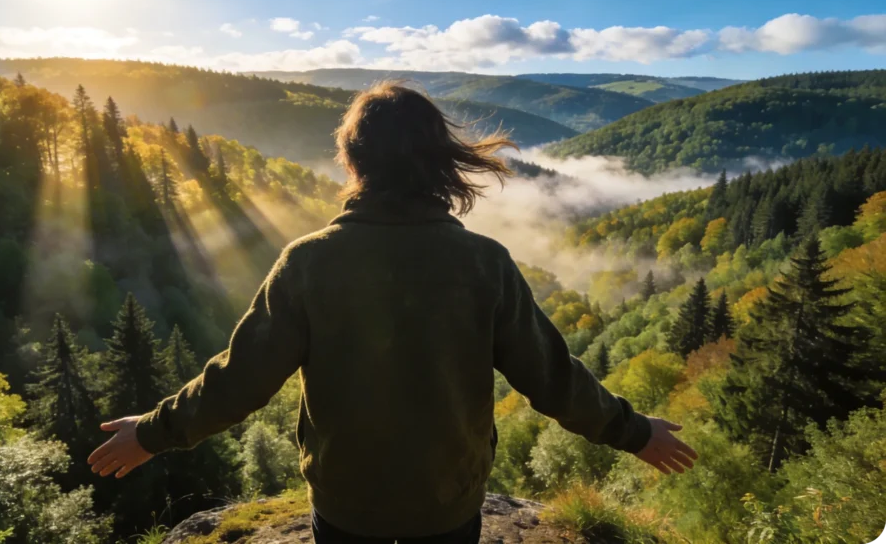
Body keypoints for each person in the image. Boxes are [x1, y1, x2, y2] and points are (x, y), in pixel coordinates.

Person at [88, 81, 699, 543]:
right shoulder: (483, 262)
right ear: (438, 161)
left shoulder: (309, 262)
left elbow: (240, 380)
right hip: (448, 504)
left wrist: (151, 433)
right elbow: (552, 378)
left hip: (347, 505)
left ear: (353, 162)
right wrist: (634, 432)